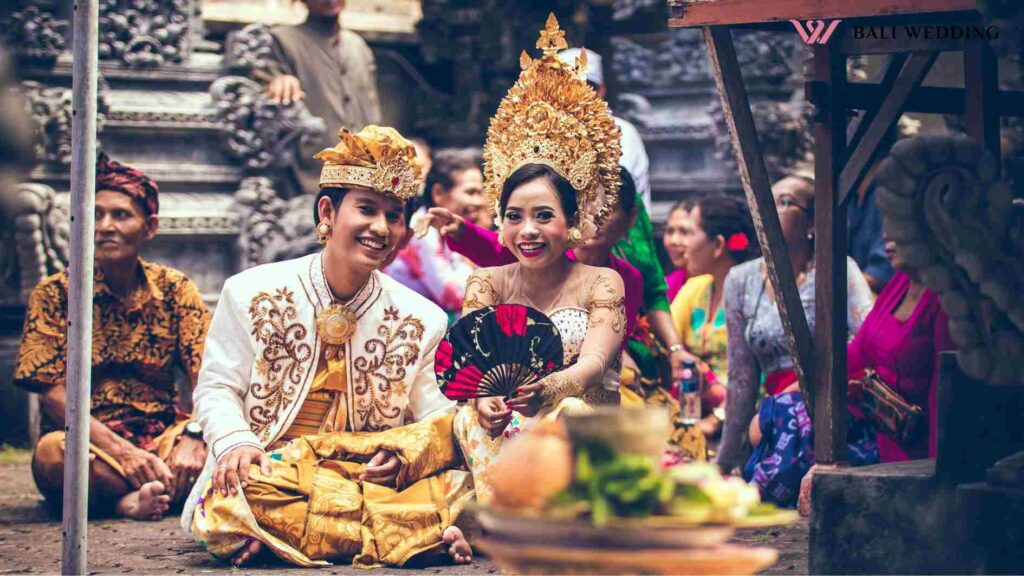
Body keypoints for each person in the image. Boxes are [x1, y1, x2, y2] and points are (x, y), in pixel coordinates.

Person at [183, 126, 474, 568]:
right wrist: (237, 442)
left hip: (368, 480)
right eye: (367, 209)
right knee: (240, 492)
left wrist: (404, 457)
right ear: (327, 211)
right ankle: (404, 536)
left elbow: (437, 418)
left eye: (394, 215)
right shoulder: (250, 292)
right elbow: (217, 387)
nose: (381, 227)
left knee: (465, 484)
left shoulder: (423, 318)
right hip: (273, 473)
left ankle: (284, 539)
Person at [451, 15, 627, 504]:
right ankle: (504, 515)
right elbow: (475, 368)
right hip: (506, 434)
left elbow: (592, 364)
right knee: (465, 418)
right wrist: (485, 399)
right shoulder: (486, 283)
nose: (527, 230)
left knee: (571, 413)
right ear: (500, 223)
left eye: (543, 215)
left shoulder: (602, 283)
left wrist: (547, 391)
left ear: (572, 219)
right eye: (514, 216)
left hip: (580, 431)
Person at [14, 153, 211, 520]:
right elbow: (53, 395)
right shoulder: (55, 294)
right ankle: (140, 498)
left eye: (120, 215)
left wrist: (194, 437)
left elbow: (208, 376)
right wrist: (124, 453)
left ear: (149, 227)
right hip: (90, 443)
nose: (105, 226)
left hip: (162, 437)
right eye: (96, 215)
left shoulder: (175, 289)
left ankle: (124, 497)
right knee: (54, 455)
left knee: (219, 451)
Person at [718, 174, 874, 506]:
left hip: (832, 403)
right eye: (767, 202)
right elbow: (742, 377)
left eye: (786, 202)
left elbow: (870, 342)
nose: (772, 211)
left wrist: (808, 384)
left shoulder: (840, 270)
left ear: (813, 221)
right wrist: (725, 461)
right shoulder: (740, 280)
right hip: (772, 416)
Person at [556, 47, 687, 391]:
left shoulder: (628, 266)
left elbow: (654, 289)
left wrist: (675, 350)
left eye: (585, 85)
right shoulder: (545, 241)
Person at [416, 166, 644, 341]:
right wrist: (463, 231)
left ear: (629, 217)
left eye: (606, 208)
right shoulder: (540, 257)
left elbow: (611, 349)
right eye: (585, 206)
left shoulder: (627, 279)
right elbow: (496, 249)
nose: (593, 217)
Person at [846, 235, 955, 461]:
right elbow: (856, 355)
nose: (886, 235)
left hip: (918, 459)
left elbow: (943, 400)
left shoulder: (947, 299)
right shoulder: (900, 283)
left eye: (899, 222)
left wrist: (936, 476)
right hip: (879, 438)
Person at [262, 0, 382, 195]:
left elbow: (372, 111)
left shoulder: (358, 47)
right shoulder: (282, 40)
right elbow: (265, 89)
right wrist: (279, 82)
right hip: (309, 180)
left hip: (364, 178)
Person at [670, 193, 759, 436]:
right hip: (693, 412)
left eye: (689, 233)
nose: (682, 245)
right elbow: (664, 345)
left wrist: (717, 418)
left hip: (747, 418)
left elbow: (760, 378)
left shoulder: (756, 295)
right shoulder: (694, 289)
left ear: (718, 245)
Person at [384, 149, 483, 320]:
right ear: (438, 193)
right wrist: (471, 263)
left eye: (480, 193)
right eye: (470, 192)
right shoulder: (422, 231)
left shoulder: (447, 231)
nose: (479, 202)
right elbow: (455, 297)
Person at [662, 198, 696, 302]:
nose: (674, 240)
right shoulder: (667, 286)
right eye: (669, 231)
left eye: (684, 232)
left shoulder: (721, 284)